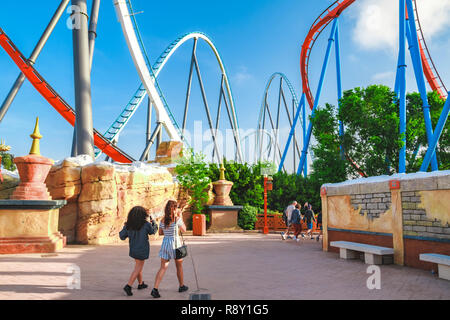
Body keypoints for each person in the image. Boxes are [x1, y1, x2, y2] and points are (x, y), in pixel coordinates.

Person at [151, 200, 189, 298]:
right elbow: (184, 230)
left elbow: (160, 233)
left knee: (163, 267)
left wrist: (167, 231)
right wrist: (181, 216)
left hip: (165, 244)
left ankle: (155, 289)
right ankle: (181, 286)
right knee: (179, 266)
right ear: (175, 209)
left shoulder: (163, 220)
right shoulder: (177, 219)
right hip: (176, 245)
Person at [119, 206, 158, 296]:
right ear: (143, 215)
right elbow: (153, 231)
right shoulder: (146, 224)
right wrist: (154, 222)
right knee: (138, 268)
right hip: (142, 250)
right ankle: (128, 286)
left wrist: (125, 227)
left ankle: (141, 284)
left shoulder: (128, 225)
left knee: (138, 266)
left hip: (133, 249)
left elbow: (122, 236)